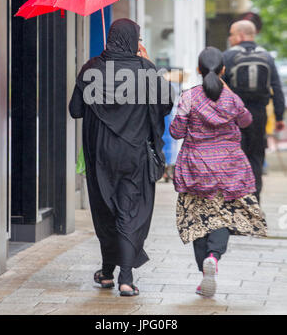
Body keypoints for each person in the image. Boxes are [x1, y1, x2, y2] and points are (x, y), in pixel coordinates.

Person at [69, 19, 173, 297]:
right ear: (135, 40)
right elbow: (164, 106)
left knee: (105, 211)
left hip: (99, 153)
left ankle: (106, 274)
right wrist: (150, 68)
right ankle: (124, 278)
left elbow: (75, 110)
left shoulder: (92, 68)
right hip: (135, 153)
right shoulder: (146, 71)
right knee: (129, 212)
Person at [169, 47, 267, 298]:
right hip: (228, 165)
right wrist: (232, 95)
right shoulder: (231, 98)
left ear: (199, 69)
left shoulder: (189, 96)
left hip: (196, 165)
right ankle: (214, 256)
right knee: (222, 217)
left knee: (197, 217)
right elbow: (246, 122)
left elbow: (176, 132)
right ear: (223, 70)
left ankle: (205, 272)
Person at [223, 20, 285, 203]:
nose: (230, 37)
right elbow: (276, 88)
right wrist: (279, 116)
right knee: (256, 156)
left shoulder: (227, 56)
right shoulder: (267, 57)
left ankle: (235, 201)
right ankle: (254, 200)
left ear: (241, 35)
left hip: (233, 114)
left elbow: (220, 86)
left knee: (234, 157)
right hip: (259, 114)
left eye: (232, 34)